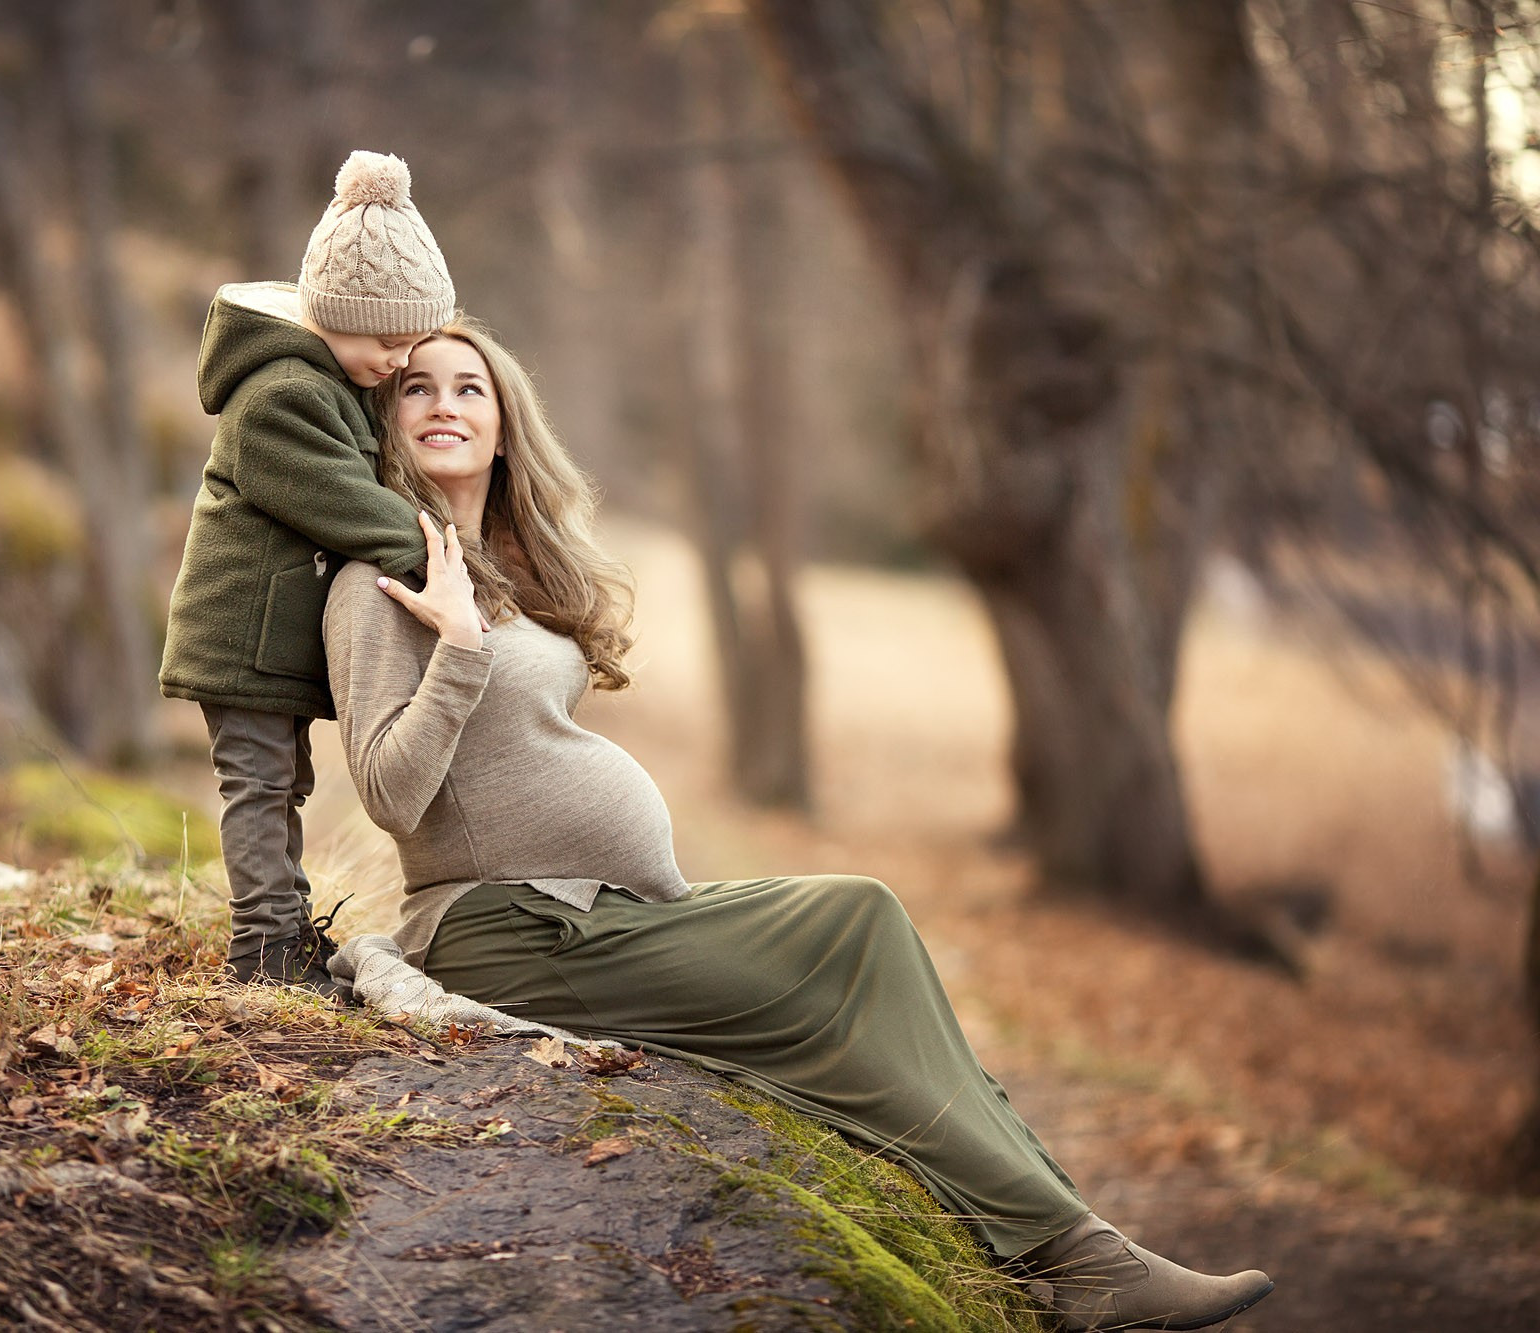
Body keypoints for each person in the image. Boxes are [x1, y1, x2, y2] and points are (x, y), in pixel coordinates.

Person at [319, 316, 1276, 1332]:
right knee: (830, 1022)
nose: (443, 406)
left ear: (505, 425)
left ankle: (1074, 1235)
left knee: (862, 918)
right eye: (417, 388)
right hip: (507, 930)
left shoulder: (499, 565)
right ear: (387, 417)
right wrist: (459, 651)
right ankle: (1072, 1256)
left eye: (470, 388)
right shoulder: (376, 578)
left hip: (599, 913)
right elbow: (387, 790)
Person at [160, 150, 460, 993]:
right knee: (258, 788)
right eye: (385, 339)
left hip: (271, 641)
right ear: (332, 313)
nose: (399, 360)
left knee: (283, 782)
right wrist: (443, 559)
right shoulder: (282, 396)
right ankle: (263, 949)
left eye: (412, 341)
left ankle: (285, 926)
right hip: (241, 636)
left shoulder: (333, 379)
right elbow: (346, 505)